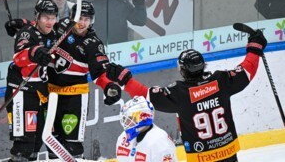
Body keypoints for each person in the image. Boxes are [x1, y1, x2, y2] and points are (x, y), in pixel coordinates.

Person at [105, 28, 267, 162]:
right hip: (229, 153)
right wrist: (255, 47)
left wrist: (124, 79)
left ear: (183, 70)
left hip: (201, 157)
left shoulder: (180, 93)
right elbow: (247, 70)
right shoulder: (221, 81)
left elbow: (145, 95)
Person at [45, 0, 121, 159]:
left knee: (72, 144)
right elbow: (40, 27)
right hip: (49, 94)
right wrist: (23, 25)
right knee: (52, 142)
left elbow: (100, 72)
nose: (82, 22)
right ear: (72, 17)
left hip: (74, 97)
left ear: (91, 21)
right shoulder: (61, 26)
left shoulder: (93, 44)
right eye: (80, 18)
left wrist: (109, 87)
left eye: (87, 19)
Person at [4, 0, 58, 161]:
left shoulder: (55, 32)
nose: (50, 22)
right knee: (24, 143)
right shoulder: (27, 33)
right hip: (22, 91)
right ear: (37, 17)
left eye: (53, 17)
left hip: (42, 91)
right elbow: (19, 57)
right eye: (45, 17)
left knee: (43, 138)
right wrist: (35, 52)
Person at [116, 96, 178, 162]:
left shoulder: (160, 142)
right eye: (125, 119)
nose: (126, 123)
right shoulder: (123, 137)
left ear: (142, 118)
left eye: (130, 119)